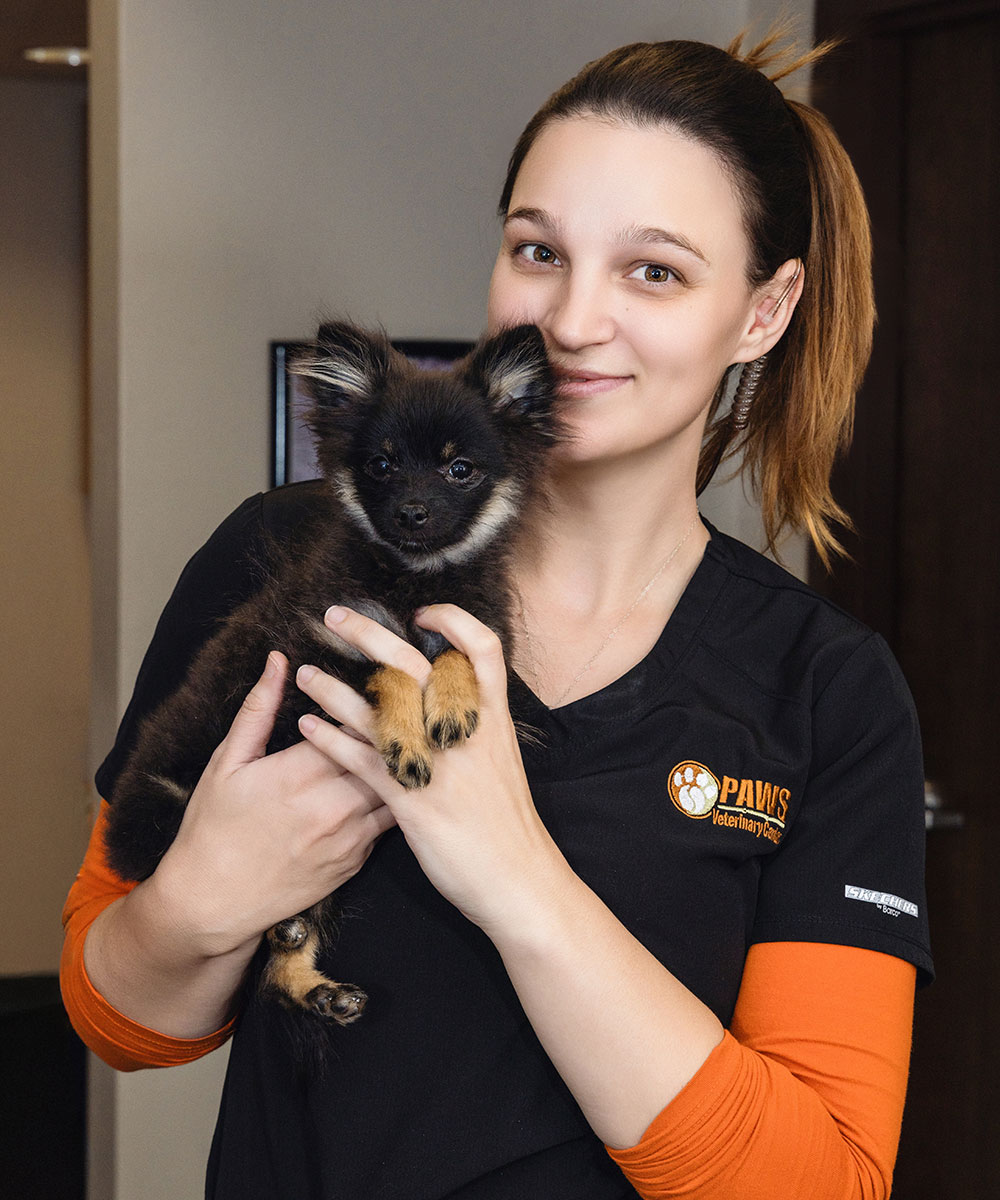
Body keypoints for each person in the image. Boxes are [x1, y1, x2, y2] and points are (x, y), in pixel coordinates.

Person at [61, 30, 932, 1200]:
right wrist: (200, 897)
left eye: (654, 271)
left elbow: (820, 1180)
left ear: (764, 312)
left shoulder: (825, 691)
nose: (573, 321)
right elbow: (116, 1017)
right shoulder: (284, 555)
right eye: (537, 251)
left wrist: (514, 873)